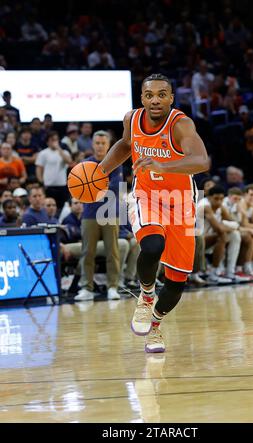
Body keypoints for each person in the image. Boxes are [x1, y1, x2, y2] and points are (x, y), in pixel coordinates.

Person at [99, 73, 209, 353]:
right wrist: (100, 172)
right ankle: (146, 296)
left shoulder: (181, 123)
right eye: (149, 95)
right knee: (152, 244)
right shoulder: (131, 120)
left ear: (171, 98)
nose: (155, 100)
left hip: (181, 200)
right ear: (142, 98)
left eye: (162, 94)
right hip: (146, 195)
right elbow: (126, 145)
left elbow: (201, 160)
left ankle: (156, 326)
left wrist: (164, 165)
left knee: (177, 280)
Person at [75, 130, 124, 302]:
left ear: (109, 145)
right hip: (89, 213)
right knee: (87, 251)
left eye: (103, 143)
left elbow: (117, 187)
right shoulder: (85, 164)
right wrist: (101, 186)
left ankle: (113, 287)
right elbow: (81, 188)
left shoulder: (117, 163)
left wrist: (93, 186)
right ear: (92, 144)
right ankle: (86, 287)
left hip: (111, 213)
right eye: (97, 143)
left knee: (113, 251)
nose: (100, 146)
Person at [35, 131, 72, 210]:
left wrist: (59, 149)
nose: (54, 142)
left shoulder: (64, 152)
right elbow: (39, 168)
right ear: (48, 142)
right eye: (52, 140)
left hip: (62, 185)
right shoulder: (43, 153)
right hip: (49, 185)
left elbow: (69, 161)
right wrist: (41, 182)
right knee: (48, 207)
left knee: (62, 207)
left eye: (56, 140)